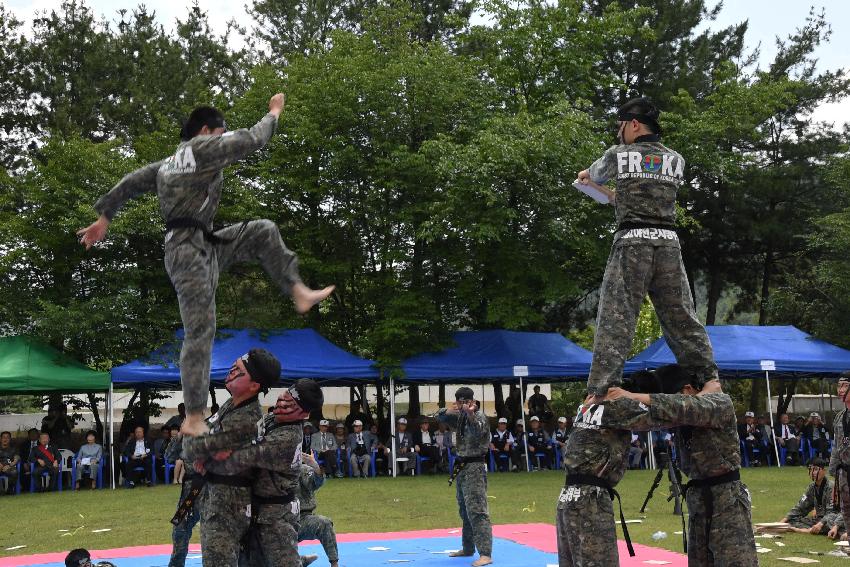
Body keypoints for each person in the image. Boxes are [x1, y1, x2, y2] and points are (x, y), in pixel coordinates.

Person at [77, 94, 335, 437]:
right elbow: (252, 139)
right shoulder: (200, 148)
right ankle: (195, 414)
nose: (221, 141)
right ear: (205, 130)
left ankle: (297, 289)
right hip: (187, 251)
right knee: (201, 330)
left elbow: (132, 181)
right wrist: (273, 112)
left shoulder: (168, 163)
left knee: (262, 231)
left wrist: (104, 216)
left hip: (205, 244)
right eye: (219, 133)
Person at [576, 97, 718, 399]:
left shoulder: (619, 153)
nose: (619, 133)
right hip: (667, 243)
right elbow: (633, 195)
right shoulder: (676, 159)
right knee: (681, 317)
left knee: (617, 317)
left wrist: (586, 179)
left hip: (631, 243)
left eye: (621, 126)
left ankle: (601, 390)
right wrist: (606, 192)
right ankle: (709, 380)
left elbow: (596, 173)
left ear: (634, 124)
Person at [605, 365, 758, 567]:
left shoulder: (718, 402)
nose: (668, 405)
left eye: (672, 396)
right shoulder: (680, 409)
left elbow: (684, 407)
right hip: (699, 499)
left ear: (686, 389)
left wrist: (634, 396)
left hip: (726, 499)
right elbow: (645, 418)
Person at [186, 379, 324, 567]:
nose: (282, 402)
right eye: (285, 395)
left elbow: (243, 455)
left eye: (291, 403)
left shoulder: (287, 438)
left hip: (276, 519)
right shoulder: (271, 420)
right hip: (255, 511)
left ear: (304, 414)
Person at [182, 349, 277, 566]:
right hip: (216, 497)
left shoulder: (247, 416)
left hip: (227, 505)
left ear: (254, 386)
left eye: (239, 371)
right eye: (234, 366)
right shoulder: (231, 404)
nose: (231, 371)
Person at [437, 388, 492, 566]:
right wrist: (448, 410)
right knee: (464, 509)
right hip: (461, 466)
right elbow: (438, 417)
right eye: (460, 402)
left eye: (465, 401)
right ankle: (468, 548)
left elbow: (477, 432)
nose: (463, 405)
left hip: (475, 467)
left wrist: (470, 414)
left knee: (477, 510)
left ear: (472, 401)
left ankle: (485, 553)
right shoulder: (458, 416)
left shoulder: (480, 416)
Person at [780, 458, 844, 538]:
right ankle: (810, 529)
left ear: (824, 471)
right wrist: (783, 521)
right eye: (810, 469)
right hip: (818, 519)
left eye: (816, 469)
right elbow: (800, 507)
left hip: (833, 518)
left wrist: (820, 524)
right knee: (791, 520)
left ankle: (802, 530)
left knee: (831, 523)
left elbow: (832, 512)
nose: (813, 472)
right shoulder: (811, 487)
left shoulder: (831, 487)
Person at [297, 452, 340, 567]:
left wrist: (316, 469)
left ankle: (334, 563)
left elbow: (316, 482)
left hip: (301, 519)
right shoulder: (271, 471)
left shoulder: (302, 470)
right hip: (278, 521)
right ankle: (299, 561)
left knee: (324, 523)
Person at [829, 372, 850, 552]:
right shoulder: (839, 417)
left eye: (844, 386)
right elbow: (836, 447)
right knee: (846, 511)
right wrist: (833, 473)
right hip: (843, 473)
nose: (840, 390)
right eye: (839, 386)